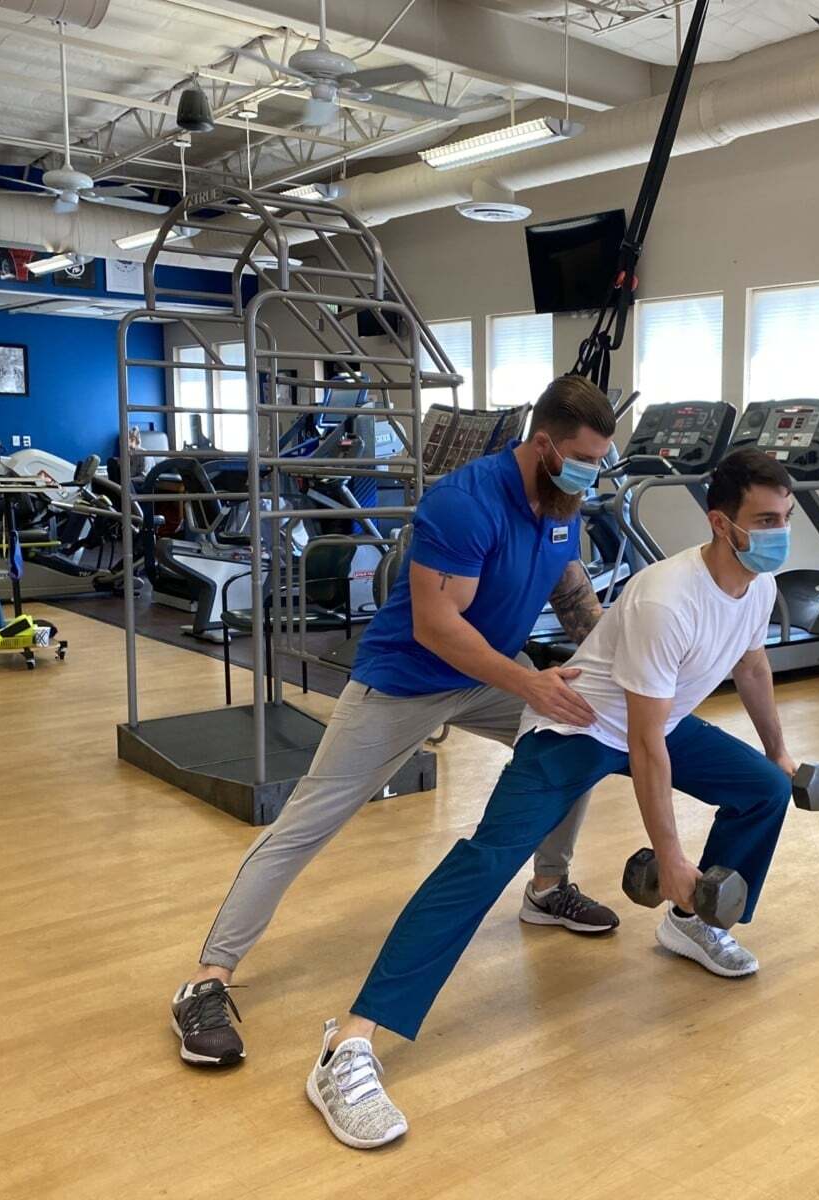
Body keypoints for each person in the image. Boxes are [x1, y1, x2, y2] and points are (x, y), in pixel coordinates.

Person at [302, 448, 804, 1149]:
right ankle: (350, 1042)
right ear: (723, 524)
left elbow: (751, 665)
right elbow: (645, 745)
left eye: (788, 515)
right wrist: (672, 859)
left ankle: (693, 925)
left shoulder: (756, 584)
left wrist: (778, 753)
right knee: (487, 859)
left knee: (762, 790)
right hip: (578, 724)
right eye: (767, 519)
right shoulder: (667, 598)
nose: (783, 531)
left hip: (651, 721)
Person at [170, 376, 625, 1068]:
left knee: (576, 733)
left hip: (490, 675)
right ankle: (207, 978)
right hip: (404, 684)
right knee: (308, 822)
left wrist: (619, 668)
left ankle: (547, 887)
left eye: (601, 460)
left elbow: (572, 593)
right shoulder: (464, 504)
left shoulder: (563, 502)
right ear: (543, 446)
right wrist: (531, 681)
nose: (594, 474)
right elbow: (438, 628)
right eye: (587, 458)